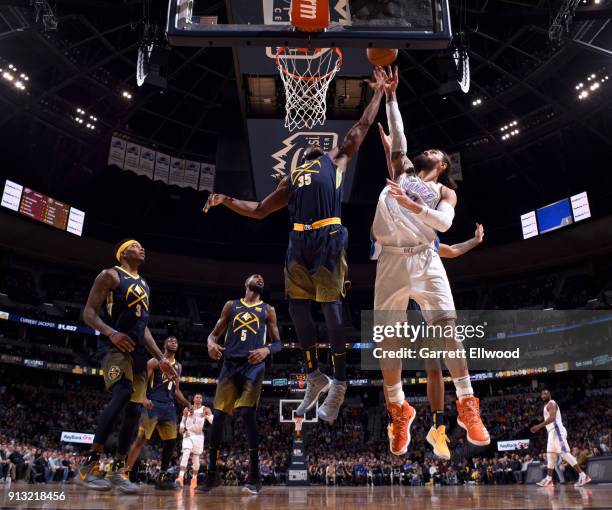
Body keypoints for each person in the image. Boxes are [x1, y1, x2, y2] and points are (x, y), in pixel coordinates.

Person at [203, 69, 388, 422]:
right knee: (297, 309)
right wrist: (224, 198)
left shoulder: (336, 161)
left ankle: (339, 382)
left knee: (332, 311)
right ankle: (314, 375)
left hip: (328, 238)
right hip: (298, 241)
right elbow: (258, 210)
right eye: (308, 146)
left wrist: (377, 94)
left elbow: (360, 128)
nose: (313, 144)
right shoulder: (292, 179)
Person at [371, 66, 490, 456]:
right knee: (389, 342)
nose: (434, 150)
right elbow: (400, 138)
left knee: (447, 332)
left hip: (425, 259)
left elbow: (444, 223)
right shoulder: (402, 170)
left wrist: (411, 205)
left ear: (442, 167)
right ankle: (398, 409)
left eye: (440, 154)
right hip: (389, 260)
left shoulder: (442, 192)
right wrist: (390, 96)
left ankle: (467, 405)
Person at [78, 239, 177, 493]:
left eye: (143, 246)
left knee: (134, 412)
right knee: (122, 394)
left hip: (139, 355)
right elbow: (88, 313)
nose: (142, 248)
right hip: (114, 349)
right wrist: (111, 333)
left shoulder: (144, 284)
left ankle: (118, 471)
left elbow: (143, 330)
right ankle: (89, 466)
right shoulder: (109, 275)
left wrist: (162, 359)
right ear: (123, 253)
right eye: (135, 245)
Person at [198, 274, 281, 494]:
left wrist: (266, 349)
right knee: (218, 418)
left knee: (245, 412)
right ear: (245, 284)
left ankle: (254, 476)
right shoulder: (231, 305)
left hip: (253, 366)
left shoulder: (268, 310)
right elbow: (213, 335)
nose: (260, 278)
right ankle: (212, 476)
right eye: (255, 277)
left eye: (262, 278)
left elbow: (278, 343)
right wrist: (209, 344)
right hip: (229, 365)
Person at [125, 336, 191, 490]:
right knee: (141, 439)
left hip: (169, 407)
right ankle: (125, 473)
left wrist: (188, 403)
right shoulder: (154, 362)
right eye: (170, 340)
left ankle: (161, 478)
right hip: (153, 404)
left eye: (176, 340)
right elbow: (142, 382)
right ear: (164, 345)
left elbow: (176, 391)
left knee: (171, 442)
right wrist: (143, 398)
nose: (174, 342)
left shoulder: (179, 366)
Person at [530, 389, 591, 487]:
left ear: (550, 395)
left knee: (564, 454)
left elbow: (552, 418)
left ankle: (583, 476)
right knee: (550, 456)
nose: (543, 395)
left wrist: (538, 426)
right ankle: (549, 479)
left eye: (545, 393)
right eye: (542, 394)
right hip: (551, 433)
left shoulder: (551, 403)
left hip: (557, 431)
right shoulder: (546, 406)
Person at [178, 393, 213, 488]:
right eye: (197, 397)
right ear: (193, 398)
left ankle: (194, 478)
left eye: (201, 397)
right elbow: (182, 421)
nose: (199, 398)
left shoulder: (205, 409)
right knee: (186, 452)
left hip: (198, 435)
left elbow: (212, 421)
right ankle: (180, 478)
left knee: (196, 460)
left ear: (202, 399)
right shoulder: (187, 408)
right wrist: (181, 428)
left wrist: (208, 416)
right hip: (188, 433)